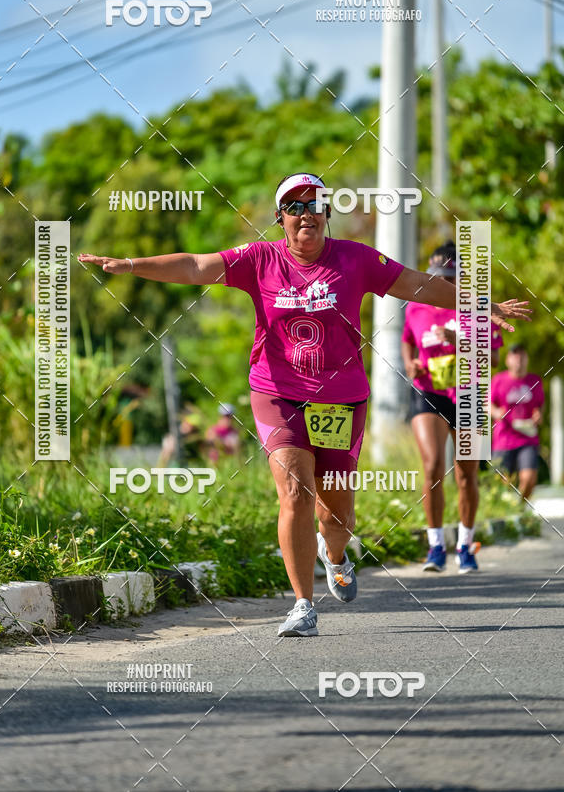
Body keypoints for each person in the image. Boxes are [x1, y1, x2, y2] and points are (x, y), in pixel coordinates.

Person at [79, 174, 530, 636]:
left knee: (336, 516)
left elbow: (418, 285)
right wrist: (131, 264)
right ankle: (302, 605)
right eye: (294, 206)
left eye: (314, 204)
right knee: (295, 490)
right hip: (277, 392)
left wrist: (480, 304)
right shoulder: (259, 259)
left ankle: (335, 554)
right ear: (280, 218)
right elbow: (196, 265)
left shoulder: (355, 259)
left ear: (327, 213)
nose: (305, 213)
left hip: (341, 399)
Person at [401, 242, 504, 575]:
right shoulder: (417, 306)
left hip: (469, 393)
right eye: (436, 277)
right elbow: (407, 340)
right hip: (429, 392)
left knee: (466, 472)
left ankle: (465, 544)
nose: (441, 284)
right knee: (432, 466)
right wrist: (411, 364)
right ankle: (435, 547)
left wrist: (457, 339)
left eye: (448, 277)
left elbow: (495, 358)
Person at [491, 344, 544, 500]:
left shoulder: (535, 381)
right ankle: (506, 510)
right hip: (504, 438)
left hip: (527, 437)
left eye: (522, 355)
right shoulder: (499, 380)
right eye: (515, 356)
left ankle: (519, 508)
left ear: (526, 359)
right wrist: (496, 412)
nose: (519, 359)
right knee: (501, 483)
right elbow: (487, 403)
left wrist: (539, 414)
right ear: (508, 360)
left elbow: (540, 405)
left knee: (529, 479)